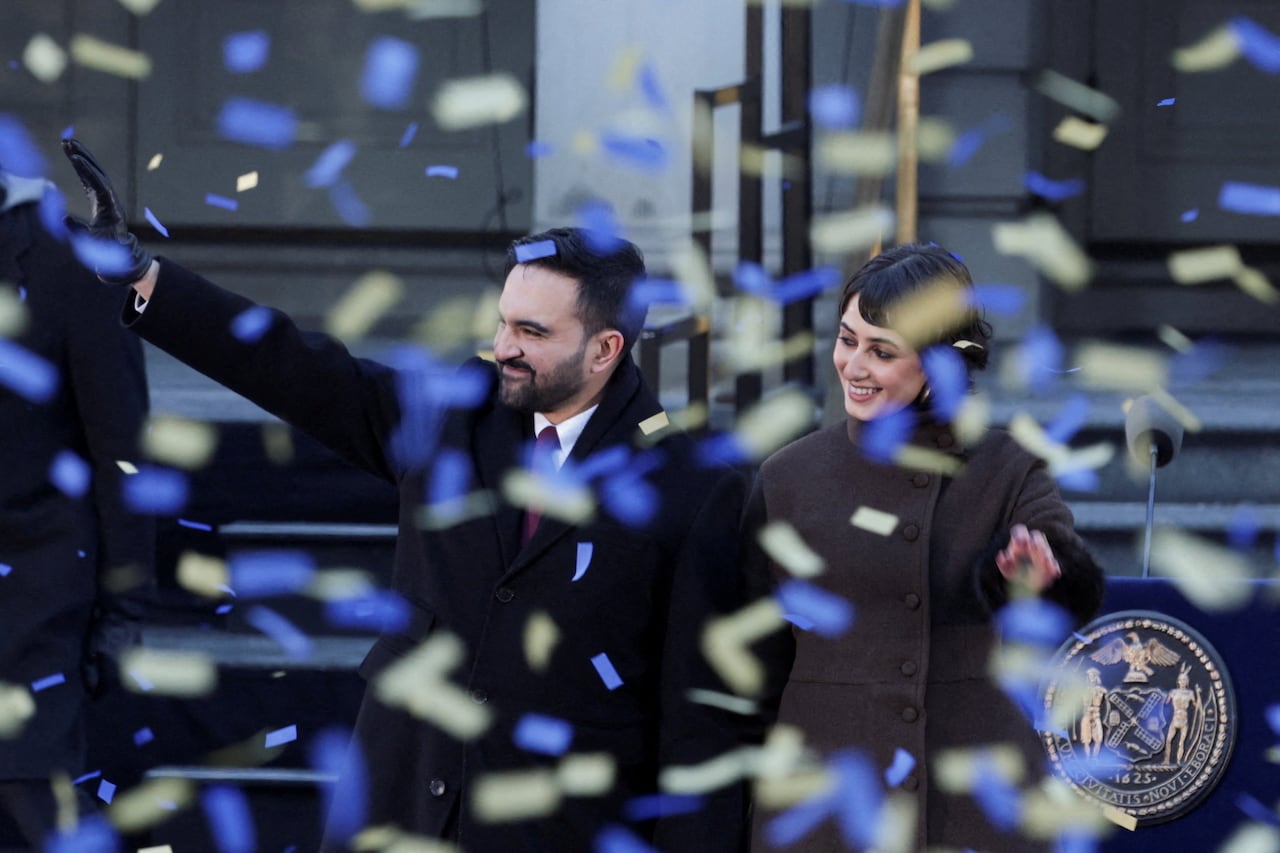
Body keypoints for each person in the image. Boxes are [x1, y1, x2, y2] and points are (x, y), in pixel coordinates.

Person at [59, 139, 754, 852]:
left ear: (606, 349)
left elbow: (699, 720)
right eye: (502, 320)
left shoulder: (692, 490)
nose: (503, 345)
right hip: (400, 801)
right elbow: (297, 368)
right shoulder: (456, 414)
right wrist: (145, 276)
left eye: (531, 331)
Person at [744, 243, 1104, 852]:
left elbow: (1064, 573)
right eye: (846, 339)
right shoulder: (786, 478)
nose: (854, 365)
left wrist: (1038, 577)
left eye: (882, 352)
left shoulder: (1005, 467)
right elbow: (753, 660)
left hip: (974, 800)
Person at [0, 167, 155, 850]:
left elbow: (121, 445)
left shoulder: (68, 262)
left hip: (31, 591)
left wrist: (125, 602)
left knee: (35, 794)